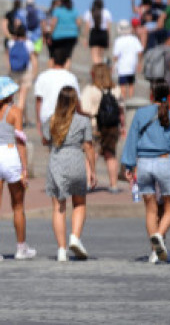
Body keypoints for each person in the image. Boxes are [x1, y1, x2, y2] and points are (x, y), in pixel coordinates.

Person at [121, 81, 170, 263]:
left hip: (143, 164)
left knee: (151, 210)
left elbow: (132, 138)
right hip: (164, 162)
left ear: (151, 94)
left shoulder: (141, 114)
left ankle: (154, 252)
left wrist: (128, 165)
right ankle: (159, 235)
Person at [0, 77, 36, 261]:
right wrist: (24, 168)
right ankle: (21, 248)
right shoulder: (15, 112)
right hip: (9, 153)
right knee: (18, 206)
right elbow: (20, 141)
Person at [45, 86, 96, 262]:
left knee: (58, 208)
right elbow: (88, 146)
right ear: (76, 102)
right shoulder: (83, 121)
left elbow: (46, 140)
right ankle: (74, 236)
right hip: (76, 160)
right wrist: (92, 169)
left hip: (57, 161)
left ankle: (61, 250)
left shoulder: (51, 120)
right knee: (79, 203)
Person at [79, 63, 125, 193]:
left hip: (94, 125)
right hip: (112, 126)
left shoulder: (90, 90)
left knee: (92, 153)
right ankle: (114, 184)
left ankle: (89, 181)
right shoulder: (116, 89)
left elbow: (84, 109)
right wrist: (123, 126)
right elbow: (121, 110)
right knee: (110, 155)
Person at [34, 48, 80, 144]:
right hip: (65, 117)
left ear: (52, 61)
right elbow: (77, 101)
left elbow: (39, 101)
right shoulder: (71, 77)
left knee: (51, 148)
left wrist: (38, 121)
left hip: (46, 117)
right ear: (66, 62)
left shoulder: (43, 76)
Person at [112, 19, 142, 100]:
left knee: (122, 85)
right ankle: (131, 99)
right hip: (132, 65)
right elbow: (139, 51)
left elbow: (116, 55)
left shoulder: (118, 40)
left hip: (122, 66)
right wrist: (139, 63)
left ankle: (124, 101)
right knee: (131, 84)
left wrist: (113, 65)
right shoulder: (134, 39)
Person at [48, 0, 81, 64]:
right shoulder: (74, 11)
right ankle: (66, 71)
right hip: (71, 36)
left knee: (55, 55)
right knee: (68, 57)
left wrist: (50, 35)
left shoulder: (57, 11)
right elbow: (78, 23)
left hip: (58, 36)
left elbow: (53, 24)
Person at [83, 0, 113, 64]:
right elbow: (108, 28)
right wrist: (108, 39)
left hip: (94, 33)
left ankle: (96, 71)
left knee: (94, 57)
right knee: (101, 56)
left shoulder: (89, 12)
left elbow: (87, 26)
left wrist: (85, 38)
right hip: (103, 33)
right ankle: (101, 71)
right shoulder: (106, 12)